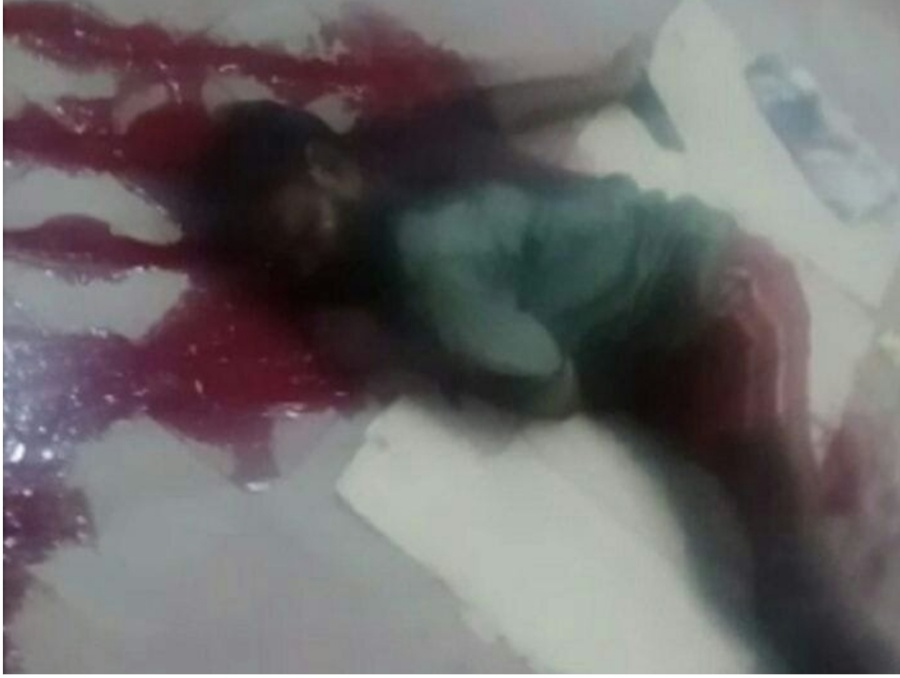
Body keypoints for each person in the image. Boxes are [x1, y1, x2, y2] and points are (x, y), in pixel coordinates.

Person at [196, 40, 896, 671]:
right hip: (682, 309)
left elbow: (545, 386)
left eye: (300, 232)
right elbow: (483, 109)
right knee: (763, 484)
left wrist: (406, 356)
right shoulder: (388, 150)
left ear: (327, 167)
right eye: (283, 262)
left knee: (790, 590)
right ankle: (838, 490)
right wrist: (608, 81)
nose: (304, 264)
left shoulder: (426, 261)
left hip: (727, 309)